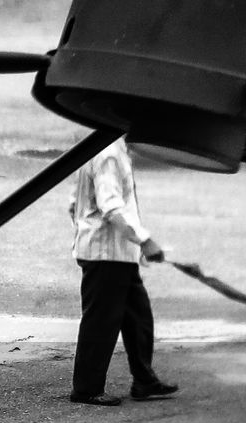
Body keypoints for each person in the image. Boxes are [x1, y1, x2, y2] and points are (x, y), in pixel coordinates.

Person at [67, 137, 178, 406]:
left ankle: (144, 379)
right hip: (106, 254)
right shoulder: (109, 154)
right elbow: (112, 206)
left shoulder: (98, 147)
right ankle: (87, 388)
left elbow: (74, 204)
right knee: (101, 322)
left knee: (138, 317)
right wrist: (144, 239)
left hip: (115, 253)